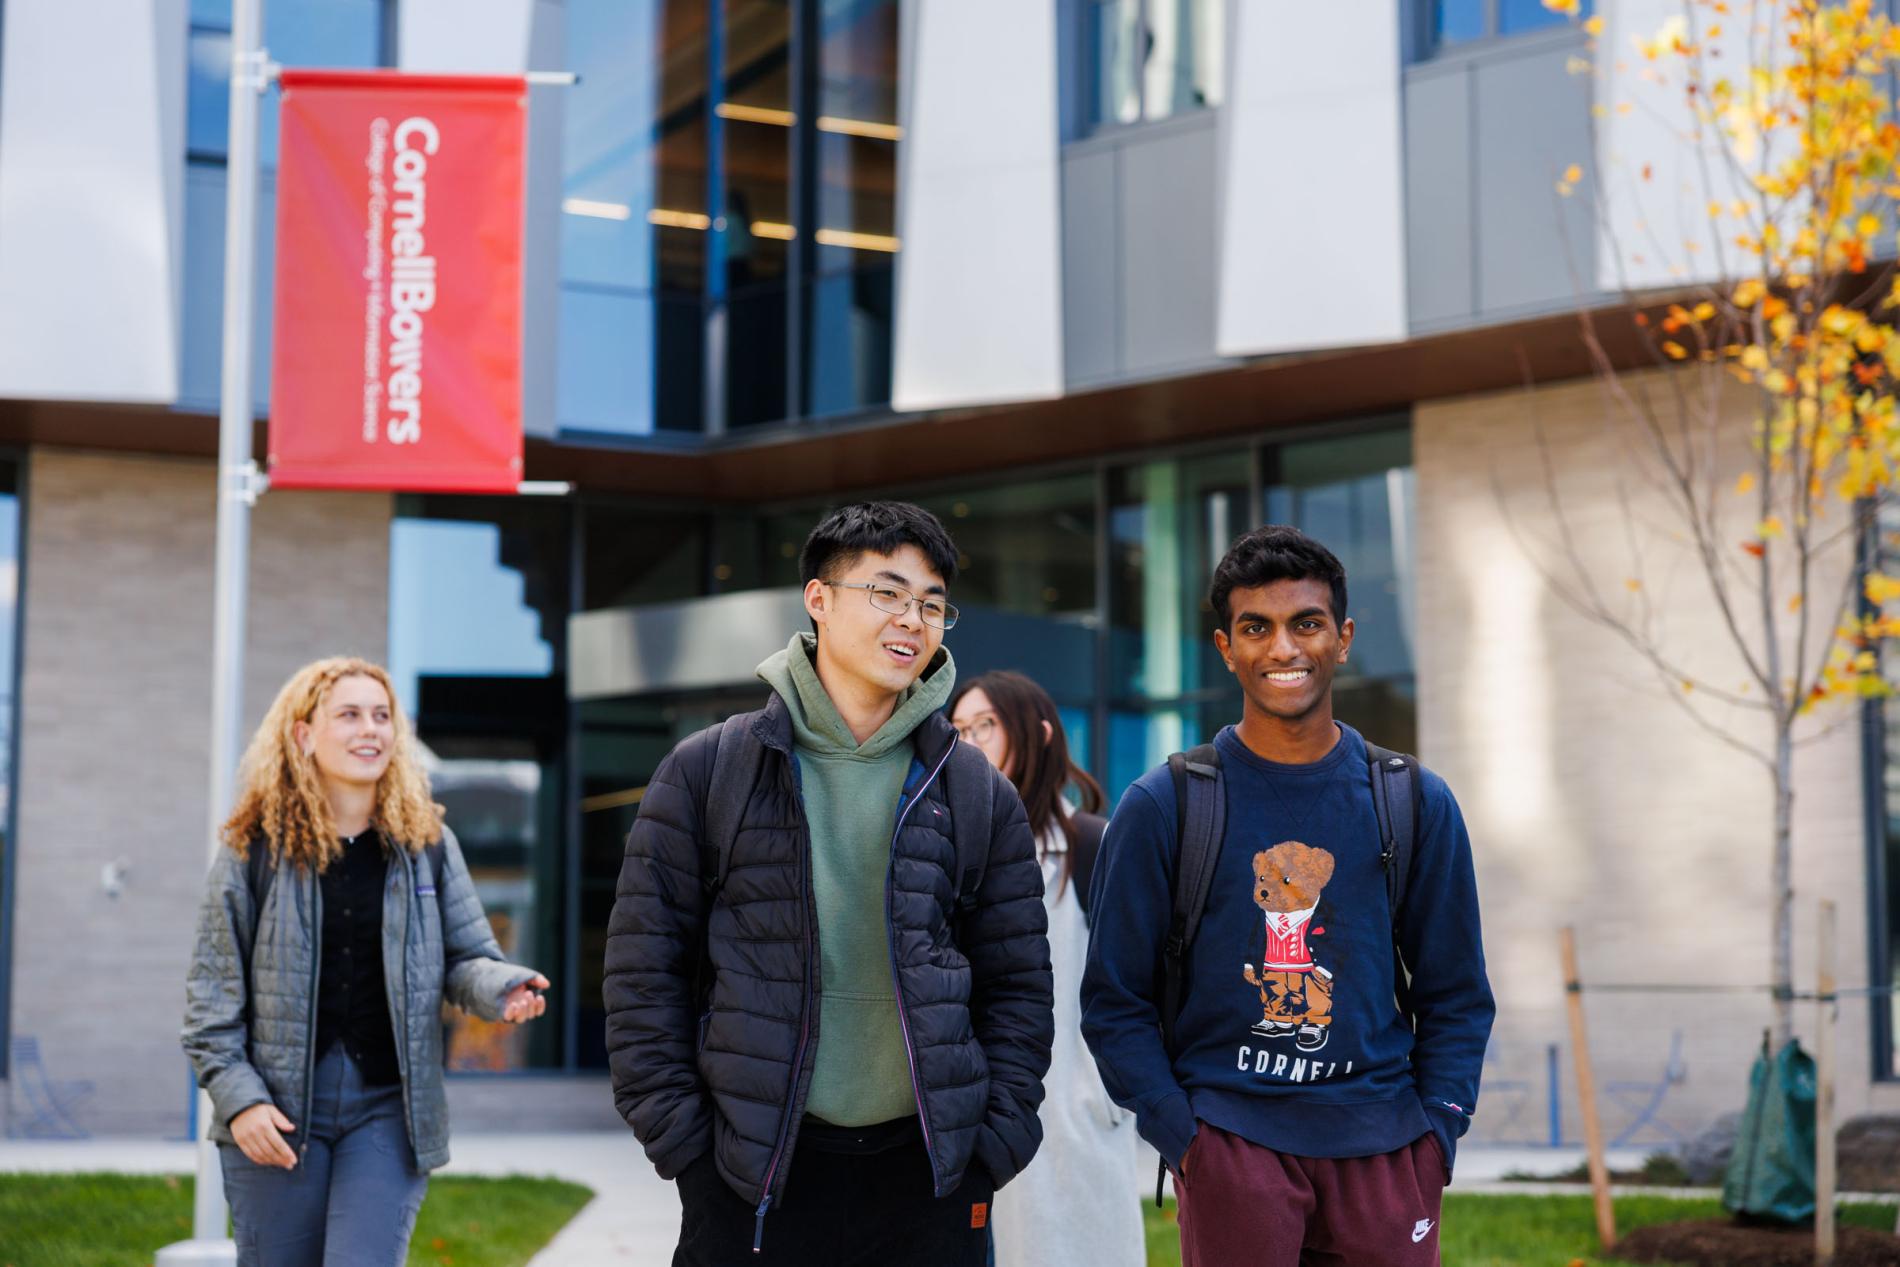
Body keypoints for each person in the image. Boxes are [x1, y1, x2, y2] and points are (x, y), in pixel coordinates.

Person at [605, 501, 1055, 1267]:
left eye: (933, 602)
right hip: (752, 1176)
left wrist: (990, 1148)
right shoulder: (709, 769)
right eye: (887, 592)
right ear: (818, 600)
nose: (913, 619)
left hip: (930, 1180)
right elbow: (643, 975)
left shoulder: (974, 789)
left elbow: (1018, 989)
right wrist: (690, 1154)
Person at [1080, 525, 1494, 1266]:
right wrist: (1186, 1138)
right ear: (1225, 646)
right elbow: (1114, 1000)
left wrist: (1437, 1136)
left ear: (1343, 637)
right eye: (1256, 627)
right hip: (1233, 1146)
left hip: (1387, 1151)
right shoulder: (1166, 804)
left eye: (1306, 623)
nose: (1282, 648)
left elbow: (1457, 992)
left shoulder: (1411, 799)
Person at [183, 656, 550, 1267]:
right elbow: (210, 998)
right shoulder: (253, 849)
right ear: (303, 734)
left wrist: (503, 987)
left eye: (382, 716)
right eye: (349, 715)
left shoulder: (426, 844)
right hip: (274, 1116)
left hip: (388, 1110)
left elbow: (467, 957)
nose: (370, 730)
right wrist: (239, 1101)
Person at [948, 671, 1143, 1267]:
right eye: (959, 730)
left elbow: (1138, 987)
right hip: (968, 1111)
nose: (971, 741)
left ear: (1037, 735)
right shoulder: (948, 847)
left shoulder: (1090, 845)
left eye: (987, 725)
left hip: (1068, 1118)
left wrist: (1104, 1098)